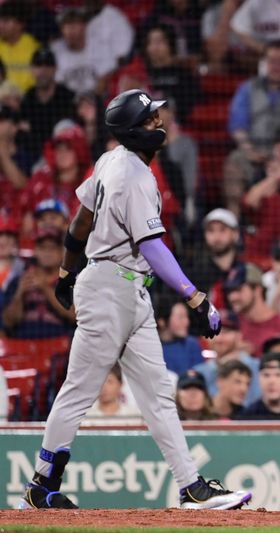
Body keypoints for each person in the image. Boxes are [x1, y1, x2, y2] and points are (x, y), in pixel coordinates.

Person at [17, 89, 251, 510]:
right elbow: (152, 246)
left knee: (158, 392)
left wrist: (68, 269)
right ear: (131, 130)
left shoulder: (111, 160)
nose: (158, 124)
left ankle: (191, 486)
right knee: (80, 390)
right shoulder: (134, 175)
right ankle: (40, 485)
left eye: (156, 116)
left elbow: (81, 221)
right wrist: (196, 297)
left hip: (125, 289)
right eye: (149, 120)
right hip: (110, 288)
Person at [223, 262, 280, 354]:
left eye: (238, 290)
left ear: (257, 289)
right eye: (230, 291)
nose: (232, 297)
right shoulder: (231, 324)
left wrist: (254, 356)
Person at [191, 309, 261, 407]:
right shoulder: (199, 372)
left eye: (225, 332)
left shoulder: (258, 367)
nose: (219, 338)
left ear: (239, 336)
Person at [156, 297, 204, 376]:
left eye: (187, 317)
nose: (187, 322)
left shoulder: (191, 344)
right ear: (162, 322)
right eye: (181, 317)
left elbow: (198, 376)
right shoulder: (152, 346)